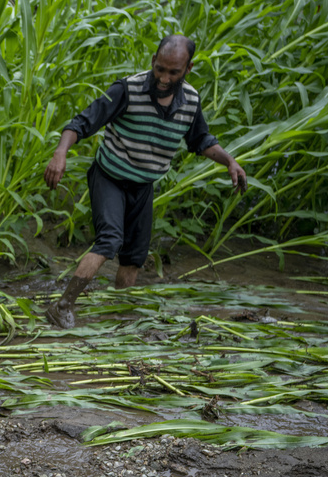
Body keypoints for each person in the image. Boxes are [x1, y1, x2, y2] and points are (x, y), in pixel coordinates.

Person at [43, 35, 247, 328]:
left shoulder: (190, 101)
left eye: (172, 72)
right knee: (109, 240)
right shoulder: (127, 89)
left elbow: (200, 139)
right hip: (110, 176)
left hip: (143, 184)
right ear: (153, 61)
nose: (163, 78)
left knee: (134, 257)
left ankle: (121, 316)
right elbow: (81, 123)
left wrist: (230, 161)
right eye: (159, 69)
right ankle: (61, 306)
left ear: (188, 69)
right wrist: (60, 153)